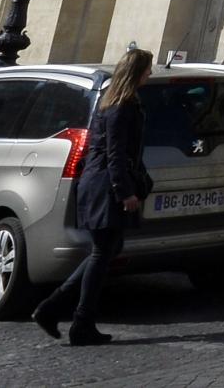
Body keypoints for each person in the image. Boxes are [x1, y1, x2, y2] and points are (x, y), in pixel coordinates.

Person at [31, 47, 152, 347]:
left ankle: (56, 309)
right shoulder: (122, 107)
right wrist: (125, 192)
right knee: (102, 252)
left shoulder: (115, 103)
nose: (150, 74)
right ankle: (76, 320)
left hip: (100, 183)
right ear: (137, 72)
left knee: (106, 250)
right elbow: (115, 154)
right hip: (105, 186)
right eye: (148, 69)